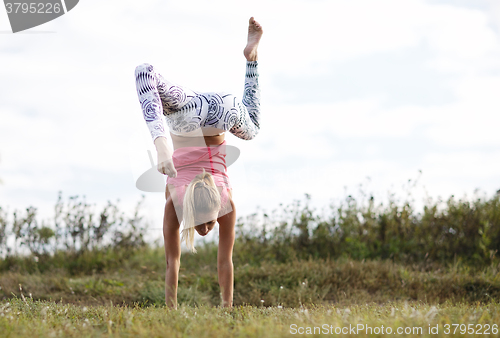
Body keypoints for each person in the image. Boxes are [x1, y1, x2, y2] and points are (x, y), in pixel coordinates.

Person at [134, 17, 263, 309]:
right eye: (206, 224)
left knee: (145, 73)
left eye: (203, 224)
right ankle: (161, 142)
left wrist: (225, 309)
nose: (206, 229)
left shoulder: (206, 204)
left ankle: (161, 142)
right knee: (144, 74)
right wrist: (218, 308)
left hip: (204, 111)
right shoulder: (220, 205)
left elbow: (175, 262)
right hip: (206, 112)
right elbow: (217, 262)